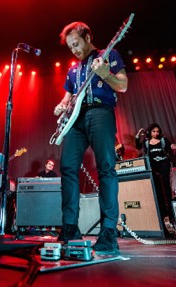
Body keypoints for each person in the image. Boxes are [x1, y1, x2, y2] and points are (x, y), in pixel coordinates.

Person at [53, 21, 128, 255]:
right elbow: (67, 98)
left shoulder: (109, 55)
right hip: (76, 119)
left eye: (76, 44)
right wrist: (61, 105)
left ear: (87, 37)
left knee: (106, 167)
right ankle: (70, 227)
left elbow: (123, 86)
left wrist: (106, 74)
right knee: (67, 166)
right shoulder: (73, 70)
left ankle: (108, 231)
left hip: (100, 112)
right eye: (69, 47)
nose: (73, 50)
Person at [135, 123, 176, 236]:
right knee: (157, 187)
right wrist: (138, 135)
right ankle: (160, 209)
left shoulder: (163, 140)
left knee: (166, 185)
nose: (156, 133)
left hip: (164, 163)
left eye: (157, 131)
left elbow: (170, 147)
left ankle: (170, 208)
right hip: (153, 166)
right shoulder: (146, 142)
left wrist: (173, 147)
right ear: (150, 132)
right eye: (154, 131)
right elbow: (138, 146)